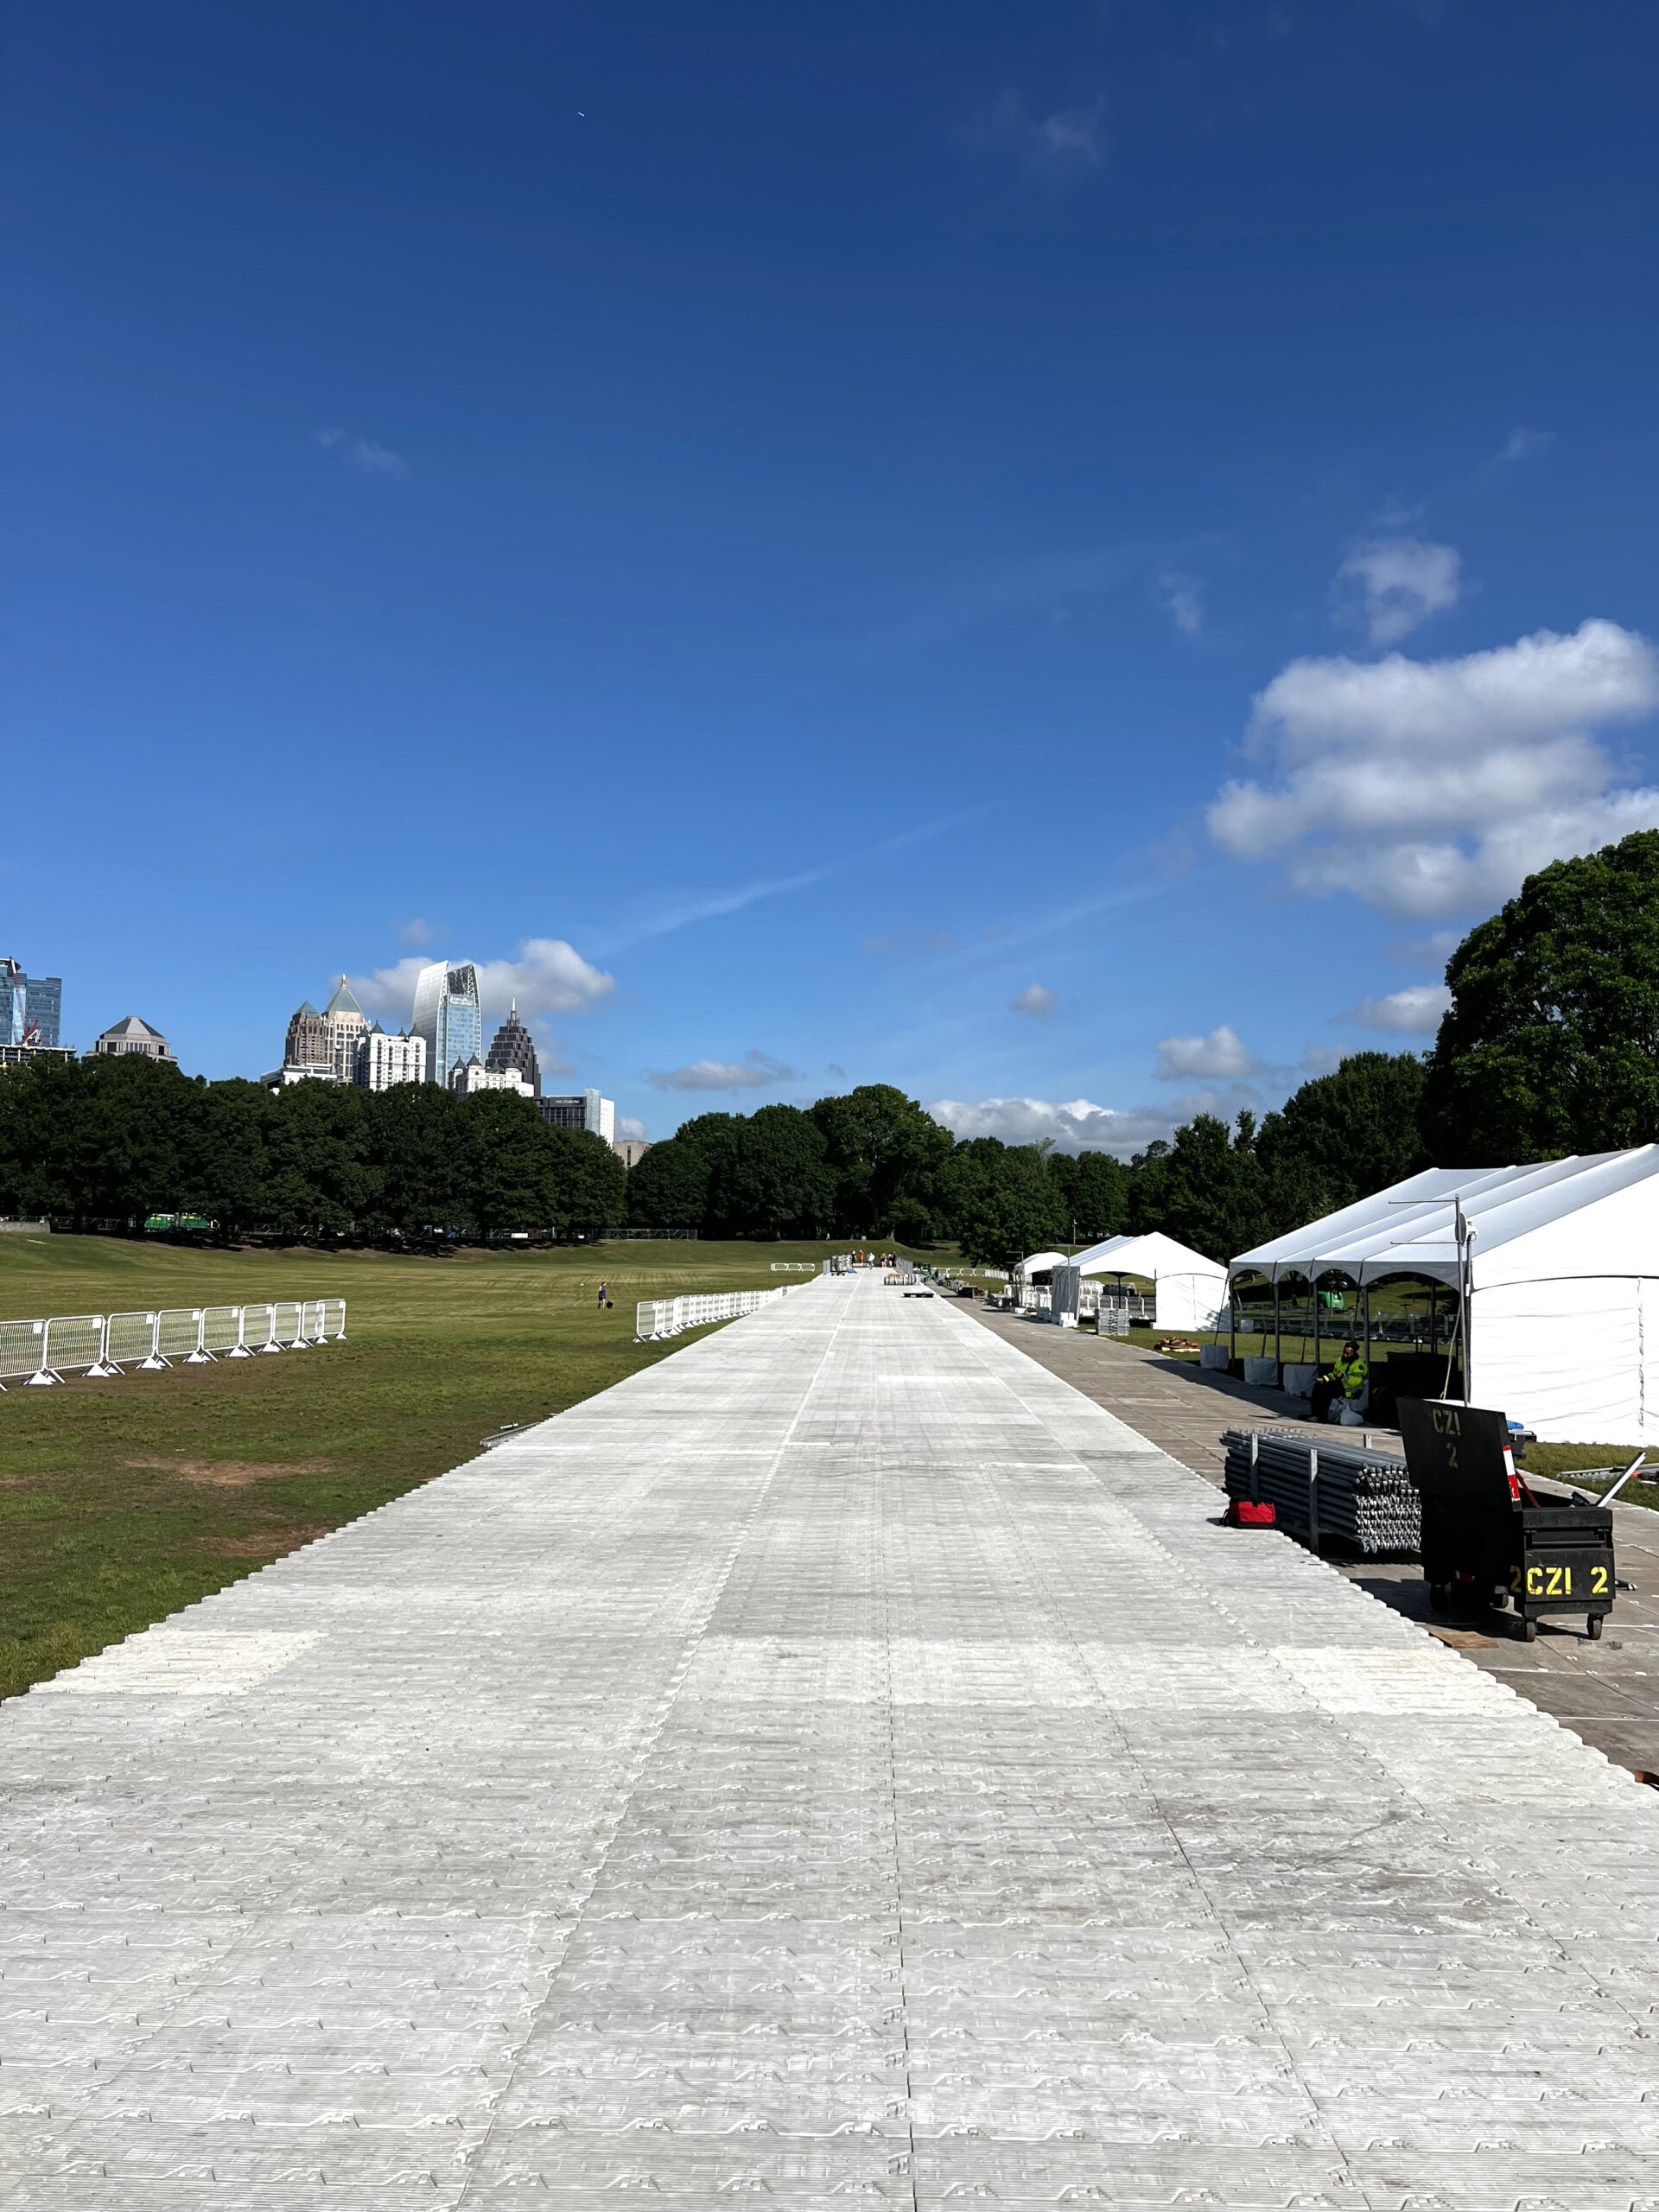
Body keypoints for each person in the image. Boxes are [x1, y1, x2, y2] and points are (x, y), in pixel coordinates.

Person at [1311, 1338, 1368, 1423]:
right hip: (1339, 1385)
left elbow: (1357, 1381)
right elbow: (1334, 1374)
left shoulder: (1359, 1365)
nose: (1345, 1355)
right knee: (1318, 1385)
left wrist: (1344, 1377)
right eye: (1344, 1352)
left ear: (1353, 1353)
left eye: (1348, 1354)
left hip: (1350, 1390)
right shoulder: (1340, 1361)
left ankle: (1322, 1416)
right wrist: (1324, 1379)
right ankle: (1315, 1414)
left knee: (1326, 1390)